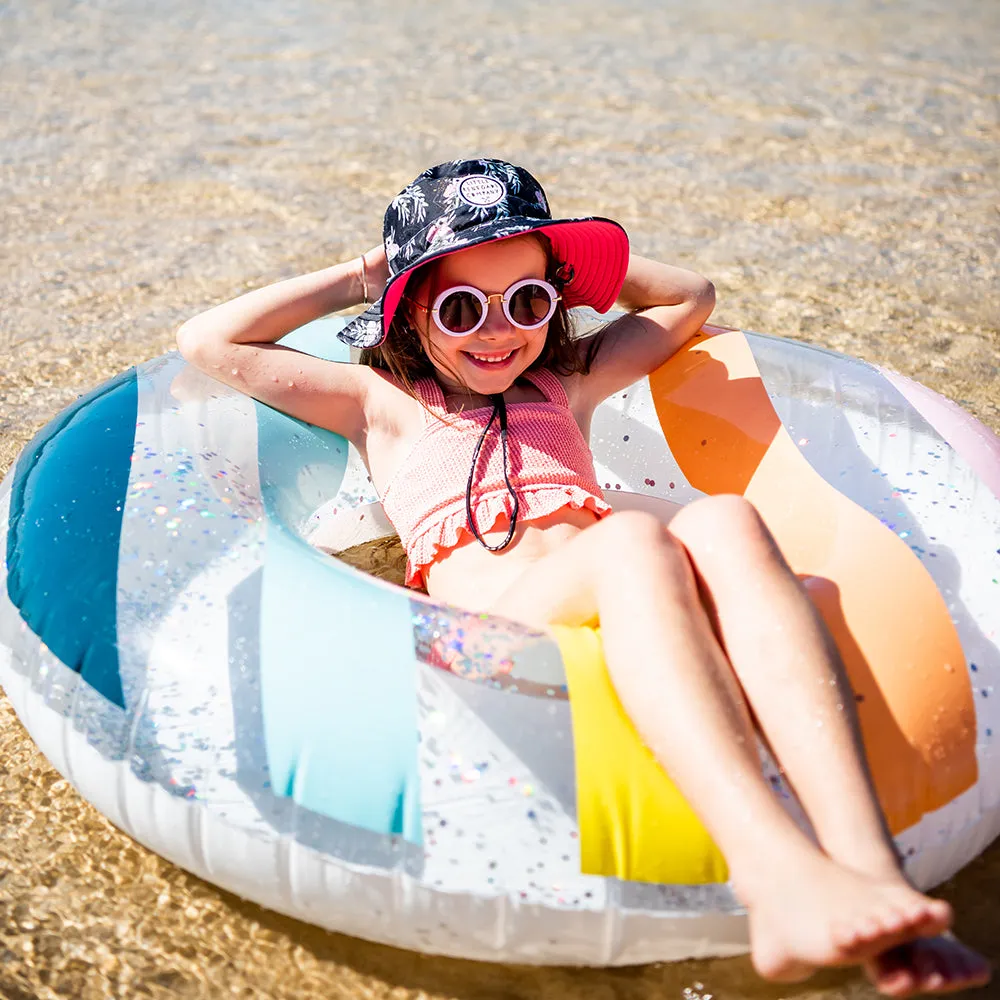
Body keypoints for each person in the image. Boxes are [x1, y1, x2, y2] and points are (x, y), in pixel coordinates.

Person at [177, 157, 990, 996]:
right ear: (414, 318)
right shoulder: (376, 402)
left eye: (528, 302)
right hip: (501, 629)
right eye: (462, 308)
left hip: (616, 592)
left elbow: (688, 298)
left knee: (725, 519)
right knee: (635, 543)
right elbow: (208, 342)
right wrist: (367, 273)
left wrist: (566, 260)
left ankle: (869, 867)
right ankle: (771, 871)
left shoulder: (566, 381)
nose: (500, 331)